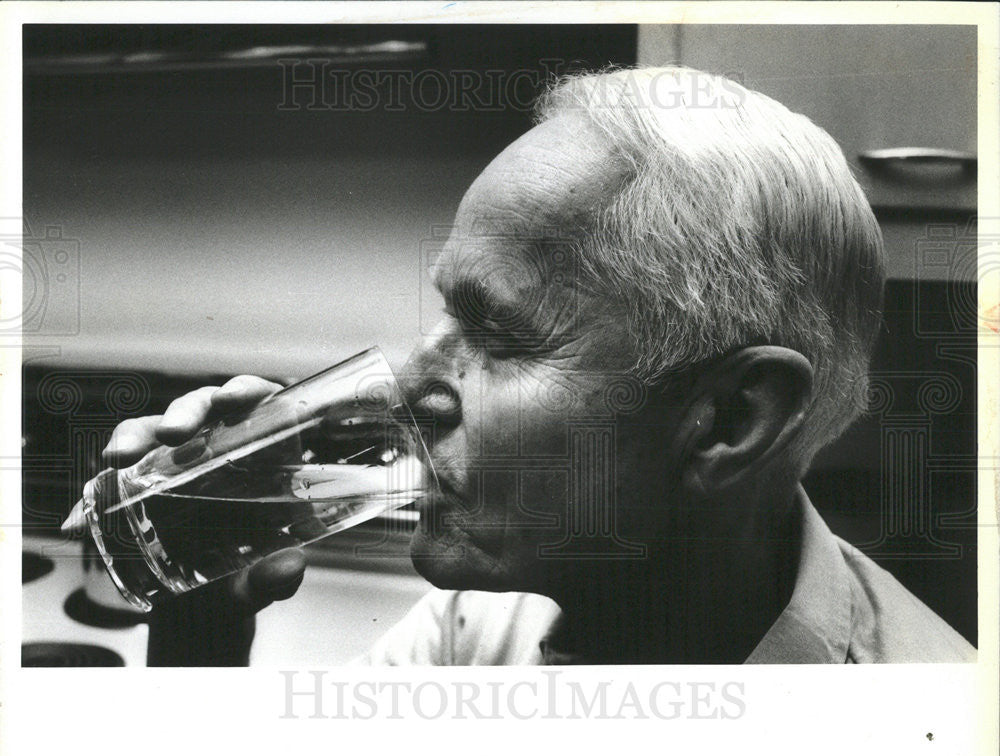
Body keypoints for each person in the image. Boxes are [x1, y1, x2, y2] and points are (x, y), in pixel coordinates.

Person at [63, 67, 975, 665]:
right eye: (447, 313)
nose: (416, 385)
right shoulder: (487, 618)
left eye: (501, 337)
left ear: (731, 421)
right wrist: (204, 633)